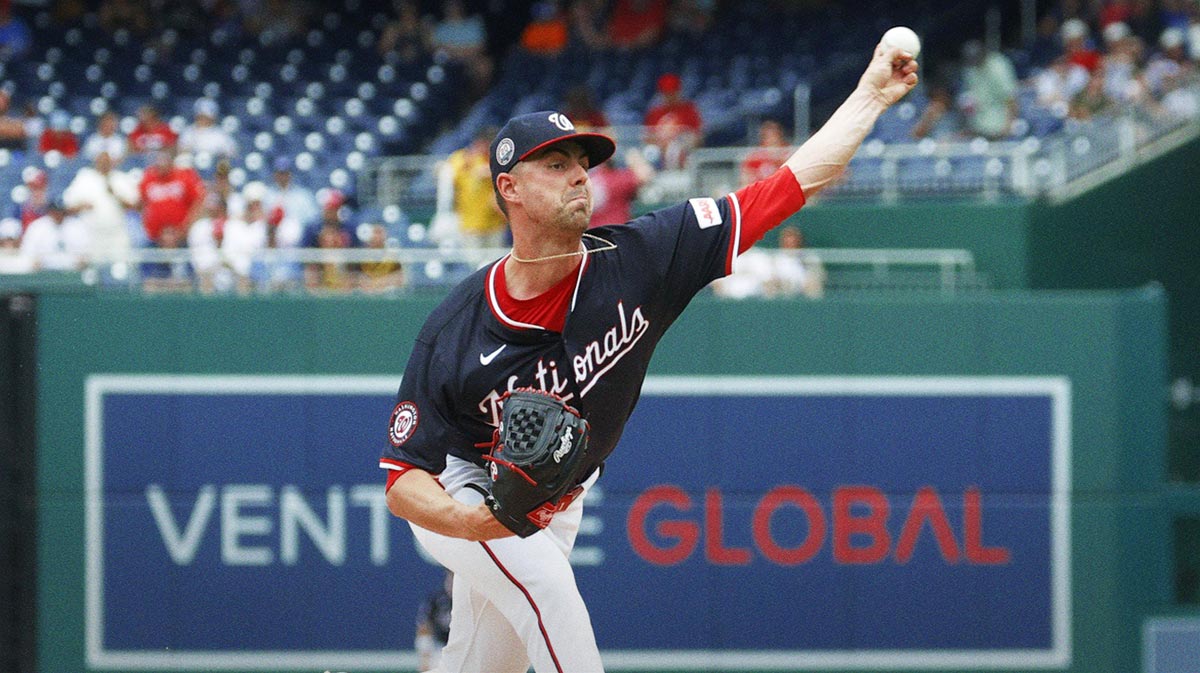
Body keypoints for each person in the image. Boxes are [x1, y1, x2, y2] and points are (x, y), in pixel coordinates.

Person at [379, 40, 918, 672]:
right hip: (468, 489)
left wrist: (872, 96)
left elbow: (788, 186)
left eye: (582, 160)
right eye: (554, 164)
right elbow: (401, 479)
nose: (580, 173)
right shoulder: (455, 326)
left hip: (561, 496)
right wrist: (475, 524)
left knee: (482, 666)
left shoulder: (645, 256)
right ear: (509, 189)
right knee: (550, 593)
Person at [433, 127, 508, 248]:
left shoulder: (498, 159)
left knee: (495, 262)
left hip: (495, 224)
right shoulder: (462, 158)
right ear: (479, 142)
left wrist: (491, 172)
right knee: (474, 264)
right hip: (470, 225)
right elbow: (443, 172)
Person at [63, 150, 139, 265]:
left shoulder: (120, 178)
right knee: (94, 270)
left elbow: (135, 205)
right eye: (101, 161)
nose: (104, 164)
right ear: (96, 162)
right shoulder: (85, 177)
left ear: (112, 162)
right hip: (91, 235)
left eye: (106, 161)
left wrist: (115, 194)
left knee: (120, 268)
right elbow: (68, 205)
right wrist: (82, 205)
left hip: (116, 235)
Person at [138, 149, 206, 246]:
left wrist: (186, 227)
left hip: (182, 235)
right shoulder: (148, 178)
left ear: (171, 163)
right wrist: (148, 226)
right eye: (159, 164)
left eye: (164, 163)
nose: (161, 167)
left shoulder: (184, 177)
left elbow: (198, 202)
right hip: (155, 237)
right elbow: (142, 204)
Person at [643, 72, 703, 169]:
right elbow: (647, 137)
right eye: (666, 92)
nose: (670, 96)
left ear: (679, 91)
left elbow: (698, 137)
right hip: (659, 152)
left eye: (672, 92)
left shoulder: (689, 109)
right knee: (650, 151)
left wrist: (676, 139)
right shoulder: (655, 112)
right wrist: (662, 141)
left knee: (676, 149)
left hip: (684, 151)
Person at [415, 571, 453, 672]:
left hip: (465, 649)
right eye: (450, 578)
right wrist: (424, 659)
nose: (452, 583)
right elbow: (424, 628)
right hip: (440, 649)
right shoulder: (436, 600)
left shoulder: (472, 603)